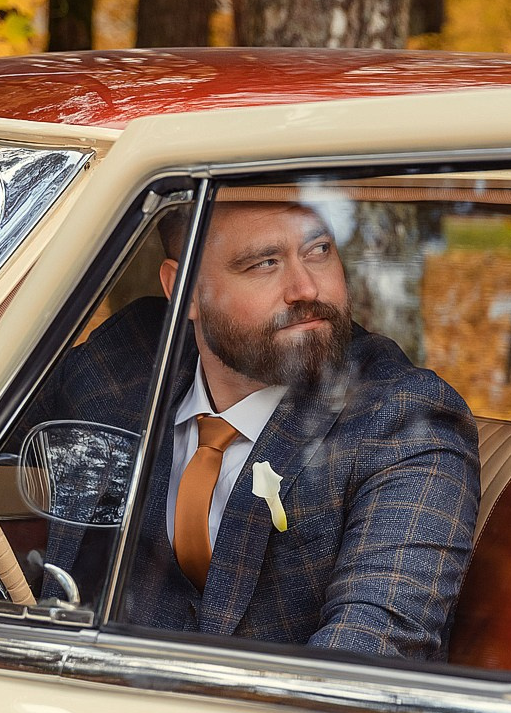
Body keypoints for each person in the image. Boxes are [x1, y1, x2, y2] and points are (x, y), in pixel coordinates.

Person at [35, 196, 480, 661]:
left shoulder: (405, 419)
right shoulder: (128, 356)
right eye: (264, 263)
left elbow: (364, 656)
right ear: (185, 290)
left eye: (319, 250)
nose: (306, 288)